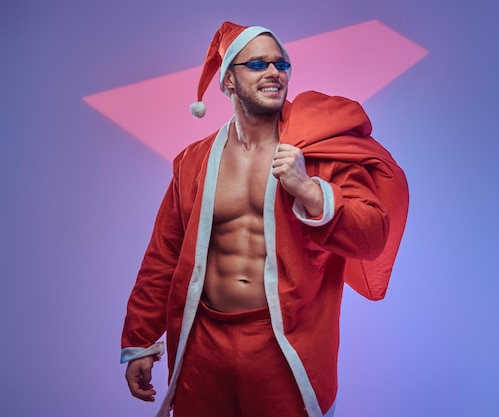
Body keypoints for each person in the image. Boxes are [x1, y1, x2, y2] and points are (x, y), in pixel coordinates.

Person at [121, 21, 409, 417]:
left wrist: (309, 189)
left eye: (281, 64)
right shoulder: (193, 162)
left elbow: (372, 236)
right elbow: (163, 255)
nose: (274, 73)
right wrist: (140, 339)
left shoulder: (319, 149)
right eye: (257, 64)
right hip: (203, 345)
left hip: (283, 344)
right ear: (229, 82)